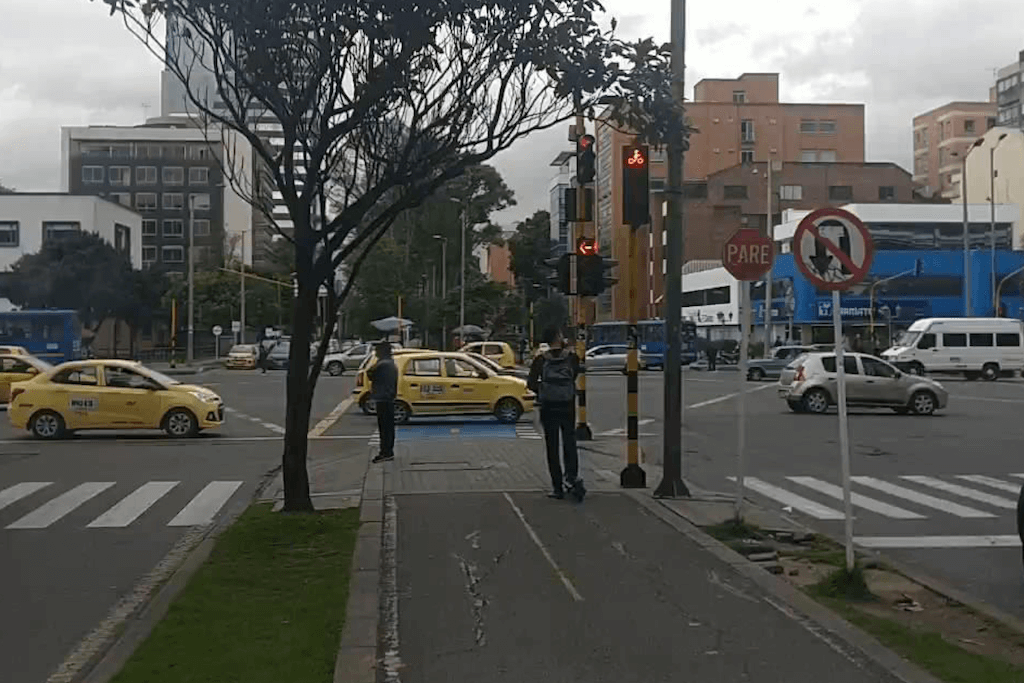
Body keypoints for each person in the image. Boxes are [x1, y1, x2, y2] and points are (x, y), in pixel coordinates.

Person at [528, 327, 584, 501]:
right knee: (569, 443)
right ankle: (572, 479)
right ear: (558, 338)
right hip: (567, 405)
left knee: (552, 446)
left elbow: (531, 383)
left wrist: (544, 390)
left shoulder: (540, 360)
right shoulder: (571, 358)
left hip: (548, 406)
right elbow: (574, 376)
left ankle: (557, 487)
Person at [368, 341, 398, 463]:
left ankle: (385, 452)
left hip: (383, 398)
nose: (375, 353)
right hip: (388, 397)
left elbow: (370, 373)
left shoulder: (383, 364)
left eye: (377, 350)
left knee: (384, 428)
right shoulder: (390, 363)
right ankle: (387, 451)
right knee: (388, 427)